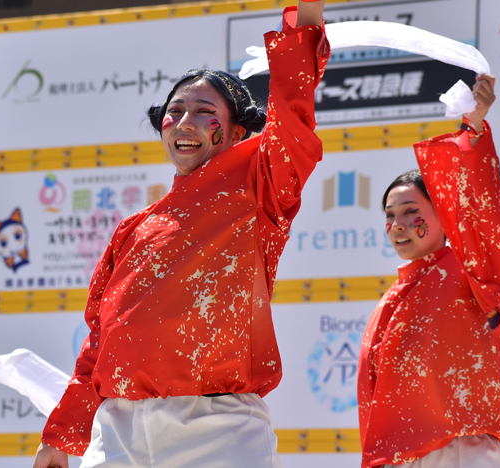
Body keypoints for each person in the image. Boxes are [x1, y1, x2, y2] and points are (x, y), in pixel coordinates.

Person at [33, 1, 329, 467]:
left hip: (220, 428)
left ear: (235, 133)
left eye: (204, 111)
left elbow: (292, 118)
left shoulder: (259, 189)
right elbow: (99, 340)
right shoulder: (134, 228)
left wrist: (306, 12)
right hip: (119, 432)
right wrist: (65, 433)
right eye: (175, 111)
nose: (185, 122)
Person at [357, 74, 500, 468]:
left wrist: (475, 129)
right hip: (404, 456)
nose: (397, 224)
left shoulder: (473, 271)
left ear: (445, 215)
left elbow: (484, 215)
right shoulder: (393, 297)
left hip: (462, 449)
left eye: (410, 213)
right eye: (390, 216)